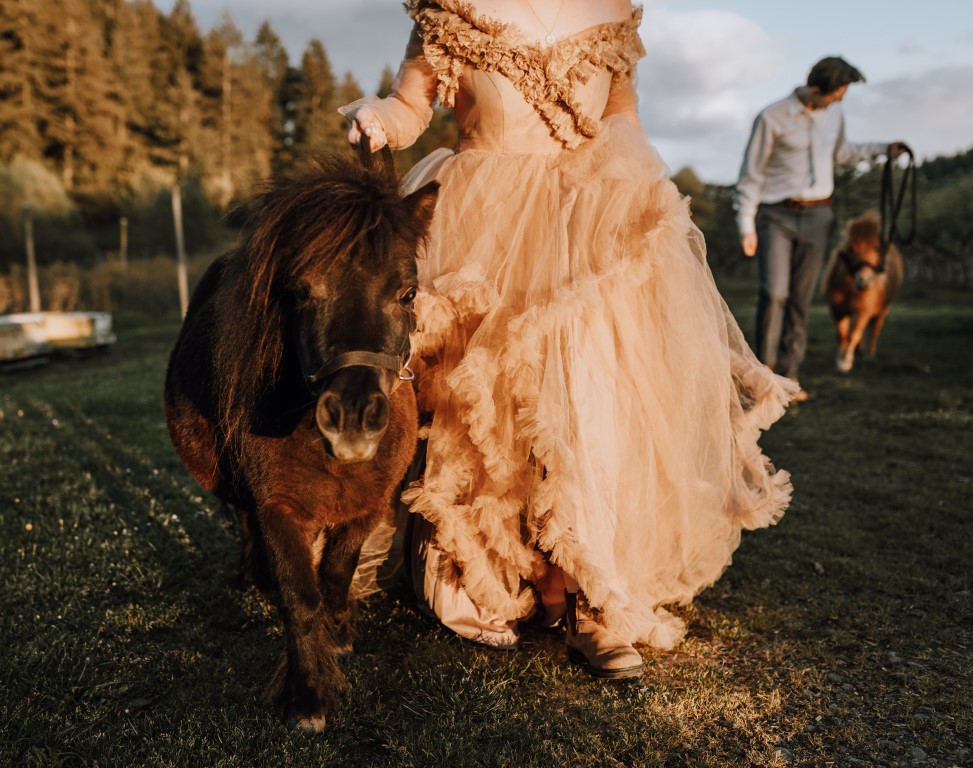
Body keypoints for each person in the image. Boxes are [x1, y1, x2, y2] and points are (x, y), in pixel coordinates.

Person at [342, 0, 796, 680]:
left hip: (588, 225)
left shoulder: (610, 12)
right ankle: (501, 579)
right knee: (488, 414)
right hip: (483, 226)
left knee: (589, 405)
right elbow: (412, 108)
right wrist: (380, 117)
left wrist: (639, 196)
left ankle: (590, 602)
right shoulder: (450, 12)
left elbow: (621, 119)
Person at [735, 56, 906, 399]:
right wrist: (746, 225)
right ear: (816, 89)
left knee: (800, 299)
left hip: (818, 216)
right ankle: (764, 375)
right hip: (776, 216)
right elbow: (751, 174)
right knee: (774, 294)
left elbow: (840, 153)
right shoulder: (772, 117)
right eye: (838, 92)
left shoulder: (834, 115)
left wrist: (881, 150)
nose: (841, 98)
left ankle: (790, 374)